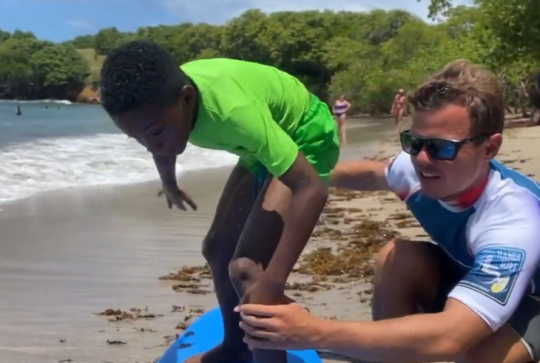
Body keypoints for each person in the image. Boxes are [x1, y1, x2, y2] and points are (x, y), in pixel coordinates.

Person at [236, 60, 540, 363]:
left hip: (533, 302)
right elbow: (374, 174)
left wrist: (313, 332)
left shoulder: (514, 219)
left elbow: (451, 336)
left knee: (472, 352)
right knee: (398, 257)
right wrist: (301, 176)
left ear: (489, 148)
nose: (421, 160)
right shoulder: (421, 167)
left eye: (440, 148)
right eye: (414, 142)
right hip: (472, 274)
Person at [99, 41, 340, 363]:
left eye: (154, 133)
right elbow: (161, 145)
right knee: (216, 249)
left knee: (247, 270)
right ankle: (236, 348)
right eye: (137, 138)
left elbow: (310, 187)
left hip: (305, 134)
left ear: (187, 98)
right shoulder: (166, 104)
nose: (149, 146)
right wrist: (169, 183)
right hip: (261, 145)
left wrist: (274, 280)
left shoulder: (233, 113)